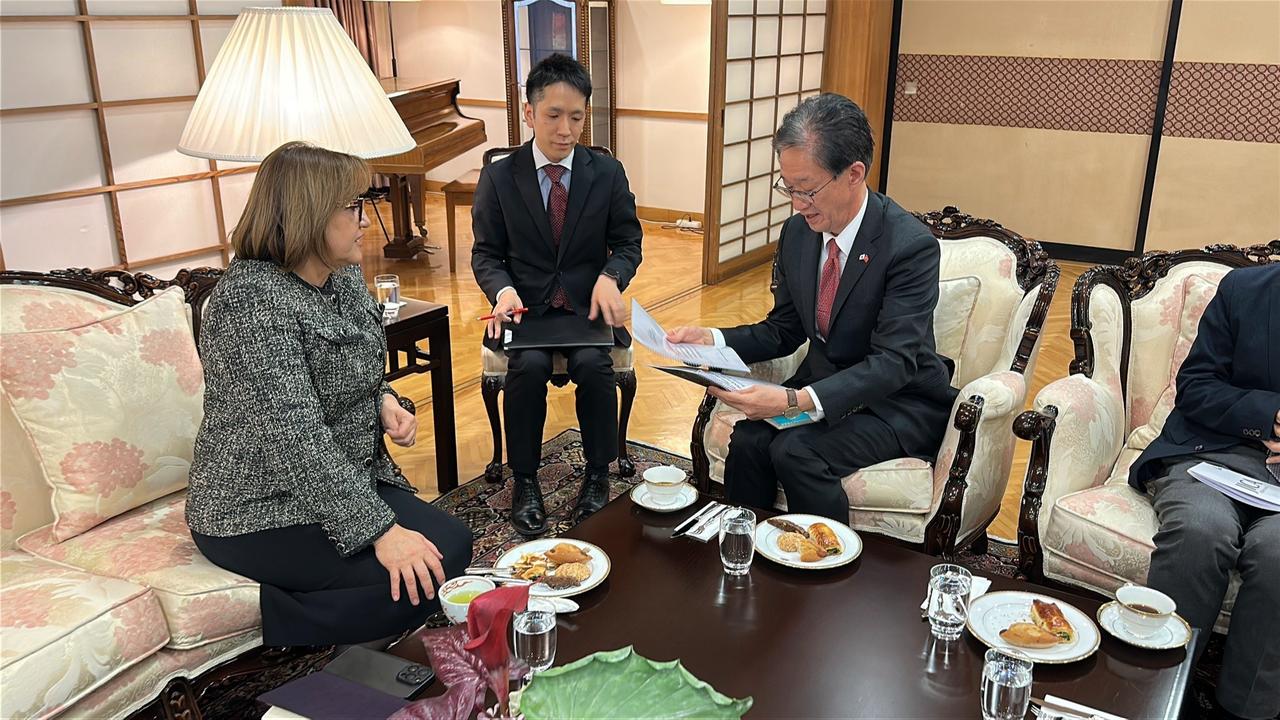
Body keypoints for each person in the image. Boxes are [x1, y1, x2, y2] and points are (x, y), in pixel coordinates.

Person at [186, 141, 473, 646]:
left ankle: (309, 614)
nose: (367, 218)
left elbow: (357, 365)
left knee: (451, 546)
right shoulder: (250, 302)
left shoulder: (339, 277)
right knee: (412, 579)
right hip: (257, 506)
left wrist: (384, 399)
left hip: (341, 478)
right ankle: (279, 621)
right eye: (353, 206)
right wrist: (382, 532)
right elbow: (295, 439)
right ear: (309, 213)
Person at [667, 93, 957, 523]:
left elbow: (894, 363)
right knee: (748, 442)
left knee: (796, 451)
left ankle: (825, 573)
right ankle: (746, 552)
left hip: (896, 401)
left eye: (808, 189)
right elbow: (784, 329)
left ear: (854, 173)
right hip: (825, 386)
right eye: (788, 187)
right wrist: (711, 339)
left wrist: (794, 399)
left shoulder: (908, 246)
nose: (796, 202)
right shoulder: (798, 234)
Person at [471, 53, 643, 536]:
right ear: (529, 113)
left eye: (577, 116)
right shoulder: (500, 178)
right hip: (524, 308)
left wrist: (611, 276)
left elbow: (629, 242)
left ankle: (597, 474)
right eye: (553, 115)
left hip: (588, 304)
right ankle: (525, 478)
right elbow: (486, 254)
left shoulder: (605, 174)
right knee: (527, 368)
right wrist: (501, 292)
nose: (566, 129)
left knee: (593, 364)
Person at [1128, 264, 1280, 720]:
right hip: (1211, 453)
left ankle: (1246, 710)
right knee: (1199, 530)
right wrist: (1272, 414)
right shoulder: (1245, 290)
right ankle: (1162, 695)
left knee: (1278, 555)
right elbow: (1196, 387)